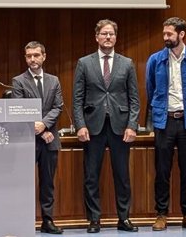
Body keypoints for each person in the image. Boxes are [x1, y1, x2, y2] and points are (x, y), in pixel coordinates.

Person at [73, 19, 140, 233]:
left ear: (116, 37)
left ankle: (124, 218)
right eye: (104, 34)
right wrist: (80, 125)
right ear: (97, 37)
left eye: (111, 34)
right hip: (93, 127)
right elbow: (77, 99)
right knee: (91, 175)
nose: (108, 37)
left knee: (122, 175)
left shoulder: (127, 63)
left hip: (121, 127)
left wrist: (132, 125)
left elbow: (135, 99)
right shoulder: (84, 63)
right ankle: (94, 220)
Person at [145, 17, 186, 231]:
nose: (165, 38)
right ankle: (161, 214)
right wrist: (159, 112)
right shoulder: (155, 60)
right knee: (162, 170)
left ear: (181, 34)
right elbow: (150, 90)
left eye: (169, 34)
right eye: (164, 34)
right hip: (164, 121)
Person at [11, 41, 64, 234]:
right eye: (29, 56)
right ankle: (22, 221)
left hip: (50, 140)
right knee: (24, 181)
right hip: (28, 140)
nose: (32, 59)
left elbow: (58, 107)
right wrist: (41, 130)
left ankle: (47, 220)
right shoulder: (18, 81)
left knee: (48, 182)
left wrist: (45, 124)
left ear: (44, 56)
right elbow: (19, 109)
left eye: (36, 55)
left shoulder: (54, 80)